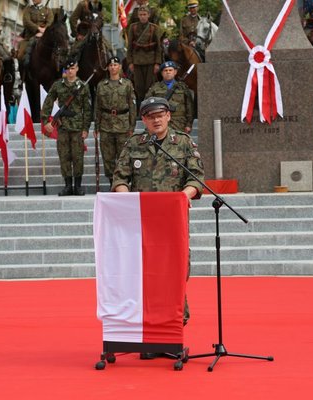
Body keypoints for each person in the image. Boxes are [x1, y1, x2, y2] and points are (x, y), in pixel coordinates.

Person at [112, 96, 204, 343]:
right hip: (141, 224)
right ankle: (147, 332)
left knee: (174, 272)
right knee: (145, 274)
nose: (156, 119)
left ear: (168, 116)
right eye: (150, 116)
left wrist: (183, 198)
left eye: (160, 114)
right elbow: (120, 178)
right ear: (144, 119)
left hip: (172, 222)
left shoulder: (182, 143)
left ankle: (174, 328)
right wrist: (128, 203)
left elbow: (195, 178)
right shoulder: (134, 144)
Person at [41, 60, 92, 196]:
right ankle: (68, 186)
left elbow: (87, 109)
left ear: (77, 69)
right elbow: (48, 101)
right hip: (62, 127)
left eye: (73, 68)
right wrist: (46, 120)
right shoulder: (58, 85)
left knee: (78, 157)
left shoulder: (83, 86)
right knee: (64, 156)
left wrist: (86, 128)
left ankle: (77, 186)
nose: (70, 71)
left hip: (77, 127)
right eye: (68, 69)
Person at [94, 57, 137, 188]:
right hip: (106, 125)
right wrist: (96, 127)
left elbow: (132, 106)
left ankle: (123, 183)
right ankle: (112, 183)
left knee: (124, 157)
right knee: (108, 158)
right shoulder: (102, 85)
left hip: (123, 125)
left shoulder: (127, 84)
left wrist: (132, 126)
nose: (113, 67)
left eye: (115, 65)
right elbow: (97, 107)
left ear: (119, 67)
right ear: (107, 68)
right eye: (111, 65)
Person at [126, 6, 163, 107]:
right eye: (141, 15)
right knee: (139, 87)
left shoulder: (154, 28)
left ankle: (150, 107)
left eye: (144, 15)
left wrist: (157, 63)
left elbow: (158, 47)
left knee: (150, 86)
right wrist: (130, 62)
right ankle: (140, 108)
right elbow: (129, 47)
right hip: (137, 61)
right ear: (138, 16)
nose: (142, 17)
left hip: (150, 61)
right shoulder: (133, 27)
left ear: (148, 15)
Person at [145, 61, 194, 134]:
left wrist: (189, 124)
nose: (168, 72)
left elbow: (189, 107)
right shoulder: (155, 88)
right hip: (159, 122)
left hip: (179, 123)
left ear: (175, 72)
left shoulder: (182, 87)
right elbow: (146, 105)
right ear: (162, 73)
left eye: (170, 70)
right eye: (165, 70)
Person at [18, 0, 54, 67]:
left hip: (43, 37)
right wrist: (38, 29)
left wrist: (44, 31)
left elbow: (50, 22)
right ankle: (20, 75)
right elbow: (26, 22)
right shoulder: (28, 9)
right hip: (29, 38)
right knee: (20, 55)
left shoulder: (48, 11)